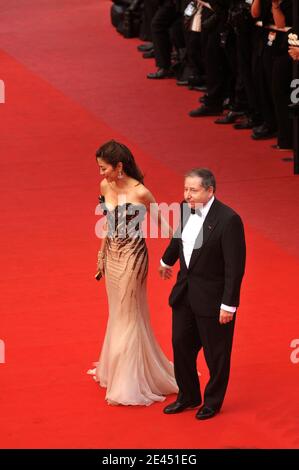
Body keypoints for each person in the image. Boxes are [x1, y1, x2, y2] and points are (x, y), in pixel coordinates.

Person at [87, 140, 178, 406]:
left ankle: (128, 381)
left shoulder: (141, 193)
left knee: (129, 313)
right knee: (117, 311)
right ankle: (118, 370)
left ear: (119, 166)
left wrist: (172, 259)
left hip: (133, 257)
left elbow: (165, 227)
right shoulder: (105, 186)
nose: (101, 173)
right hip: (112, 256)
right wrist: (101, 254)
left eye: (104, 168)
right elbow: (107, 223)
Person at [159, 168, 246, 420]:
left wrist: (229, 305)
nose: (187, 195)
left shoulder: (229, 220)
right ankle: (188, 396)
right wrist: (167, 261)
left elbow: (235, 267)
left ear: (210, 191)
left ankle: (212, 401)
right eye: (186, 189)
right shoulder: (185, 208)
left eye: (193, 190)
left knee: (215, 353)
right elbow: (180, 239)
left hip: (213, 299)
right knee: (180, 344)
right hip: (185, 293)